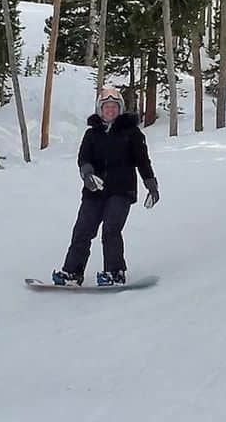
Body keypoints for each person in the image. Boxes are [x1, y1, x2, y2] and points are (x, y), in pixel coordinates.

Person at [53, 86, 160, 287]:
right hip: (95, 191)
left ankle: (115, 272)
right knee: (82, 230)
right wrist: (88, 175)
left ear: (120, 109)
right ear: (100, 110)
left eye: (113, 107)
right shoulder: (92, 134)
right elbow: (83, 159)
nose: (110, 111)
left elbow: (143, 161)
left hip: (121, 190)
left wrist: (151, 185)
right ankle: (72, 273)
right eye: (106, 107)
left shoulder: (132, 133)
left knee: (111, 229)